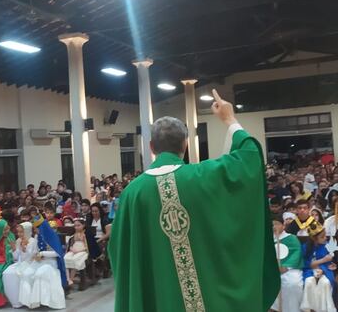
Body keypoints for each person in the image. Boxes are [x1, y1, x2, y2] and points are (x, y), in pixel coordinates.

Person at [109, 90, 280, 311]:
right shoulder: (203, 176)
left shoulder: (132, 193)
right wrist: (229, 119)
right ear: (185, 145)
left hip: (156, 298)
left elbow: (118, 250)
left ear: (151, 147)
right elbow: (249, 158)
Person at [16, 215, 67, 309]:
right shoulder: (37, 236)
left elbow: (57, 253)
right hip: (39, 261)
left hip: (50, 262)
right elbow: (36, 250)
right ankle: (28, 302)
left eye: (37, 229)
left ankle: (44, 301)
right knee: (26, 273)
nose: (35, 231)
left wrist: (43, 253)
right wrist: (34, 254)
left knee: (40, 273)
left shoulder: (52, 236)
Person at [299, 221, 336, 312]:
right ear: (314, 239)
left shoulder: (327, 246)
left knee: (325, 283)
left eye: (325, 236)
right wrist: (323, 260)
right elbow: (306, 264)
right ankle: (309, 308)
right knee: (309, 282)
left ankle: (324, 309)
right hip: (309, 271)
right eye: (322, 237)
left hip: (324, 270)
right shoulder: (305, 247)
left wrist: (327, 267)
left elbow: (330, 262)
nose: (325, 238)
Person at [271, 214, 304, 312]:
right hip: (273, 270)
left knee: (292, 284)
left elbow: (296, 254)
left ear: (283, 225)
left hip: (290, 269)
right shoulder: (268, 240)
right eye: (272, 225)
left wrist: (286, 267)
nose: (274, 227)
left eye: (277, 224)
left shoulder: (292, 238)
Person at [2, 222, 38, 309]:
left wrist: (25, 249)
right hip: (20, 263)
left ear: (27, 231)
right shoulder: (18, 240)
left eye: (22, 232)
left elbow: (32, 256)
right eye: (18, 232)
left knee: (18, 274)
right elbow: (16, 257)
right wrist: (14, 248)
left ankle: (24, 300)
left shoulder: (33, 241)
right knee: (7, 273)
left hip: (30, 263)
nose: (19, 234)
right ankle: (15, 301)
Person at [64, 218, 89, 286]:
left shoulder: (85, 234)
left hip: (82, 251)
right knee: (65, 258)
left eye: (78, 225)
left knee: (75, 260)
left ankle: (71, 279)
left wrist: (79, 251)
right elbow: (71, 244)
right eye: (75, 226)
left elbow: (87, 247)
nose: (76, 227)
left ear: (83, 225)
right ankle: (68, 278)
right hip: (74, 250)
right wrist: (72, 249)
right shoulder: (74, 234)